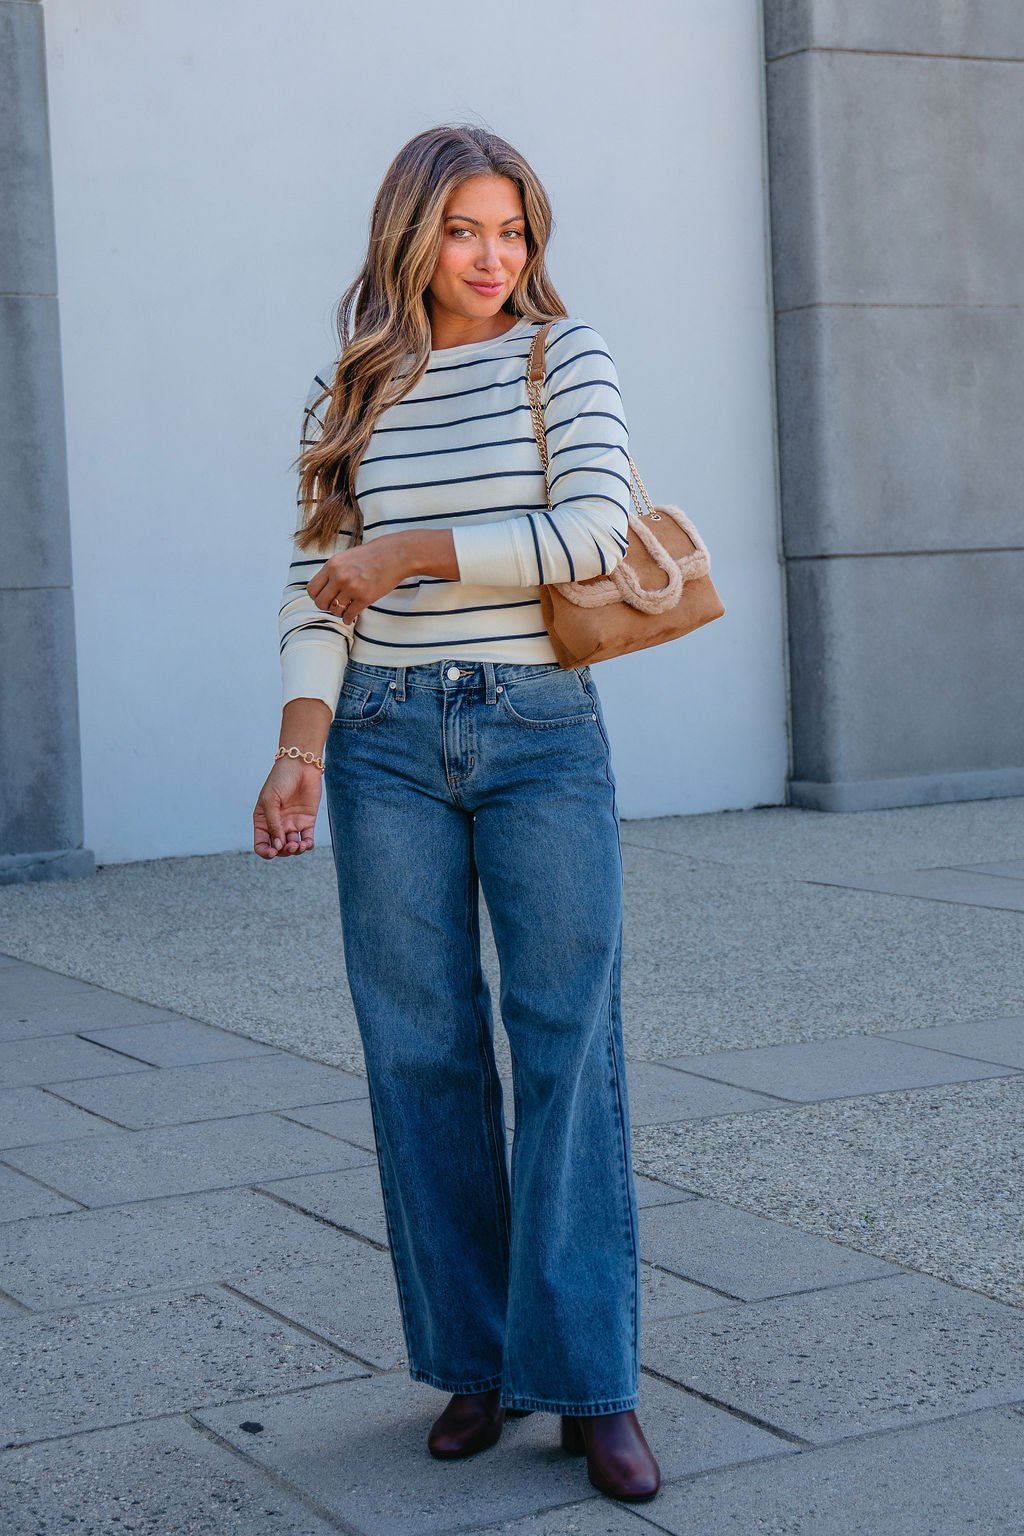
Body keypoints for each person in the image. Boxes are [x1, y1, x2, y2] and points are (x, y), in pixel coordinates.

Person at [252, 123, 660, 1504]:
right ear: (409, 236)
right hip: (376, 739)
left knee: (565, 1044)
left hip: (539, 730)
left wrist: (411, 552)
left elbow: (598, 533)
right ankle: (475, 1364)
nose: (495, 258)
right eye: (468, 231)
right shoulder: (346, 392)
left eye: (516, 231)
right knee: (418, 1053)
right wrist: (299, 747)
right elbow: (316, 589)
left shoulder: (567, 357)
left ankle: (591, 1383)